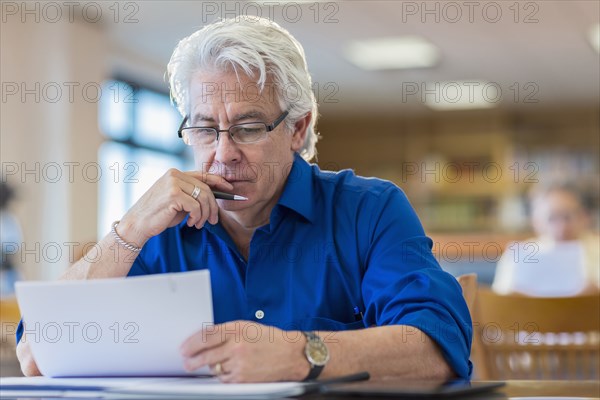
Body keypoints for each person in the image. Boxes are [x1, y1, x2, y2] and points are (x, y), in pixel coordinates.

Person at [17, 17, 472, 382]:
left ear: (297, 129)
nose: (222, 153)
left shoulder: (368, 211)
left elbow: (439, 347)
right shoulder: (158, 229)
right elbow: (37, 355)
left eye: (248, 128)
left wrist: (303, 354)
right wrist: (130, 228)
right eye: (203, 128)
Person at [493, 182, 599, 296]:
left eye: (567, 217)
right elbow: (499, 299)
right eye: (552, 218)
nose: (561, 226)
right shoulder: (519, 255)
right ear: (536, 221)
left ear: (583, 216)